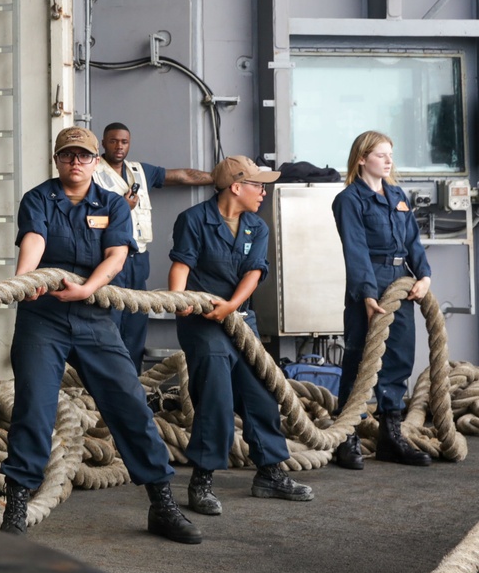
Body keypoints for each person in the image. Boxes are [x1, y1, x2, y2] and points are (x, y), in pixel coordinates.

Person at [0, 126, 201, 544]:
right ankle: (15, 508)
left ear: (95, 161)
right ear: (57, 160)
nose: (76, 162)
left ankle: (161, 503)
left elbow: (117, 253)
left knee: (129, 404)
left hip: (93, 316)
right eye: (68, 155)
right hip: (43, 316)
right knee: (33, 411)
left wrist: (88, 289)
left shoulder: (112, 203)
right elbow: (35, 239)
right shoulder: (38, 199)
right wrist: (24, 280)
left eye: (84, 156)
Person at [168, 155, 313, 516]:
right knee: (216, 393)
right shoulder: (194, 220)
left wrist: (232, 305)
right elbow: (182, 263)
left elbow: (253, 272)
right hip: (202, 323)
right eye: (257, 185)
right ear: (236, 186)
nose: (263, 192)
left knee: (260, 391)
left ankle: (270, 473)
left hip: (238, 319)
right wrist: (179, 300)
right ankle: (201, 480)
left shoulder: (255, 226)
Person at [331, 131, 432, 469]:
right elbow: (355, 250)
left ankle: (391, 436)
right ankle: (346, 437)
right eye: (380, 155)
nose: (389, 161)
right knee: (361, 358)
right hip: (370, 282)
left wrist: (425, 276)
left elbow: (413, 243)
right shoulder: (350, 200)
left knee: (399, 357)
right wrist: (368, 295)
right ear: (361, 159)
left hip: (402, 281)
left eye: (390, 154)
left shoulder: (398, 195)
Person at [92, 122, 212, 371]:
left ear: (130, 143)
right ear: (103, 143)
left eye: (124, 141)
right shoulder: (91, 172)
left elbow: (182, 176)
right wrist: (120, 210)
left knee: (136, 319)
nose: (119, 146)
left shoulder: (139, 171)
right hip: (108, 257)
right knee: (108, 319)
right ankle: (104, 383)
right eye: (113, 141)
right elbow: (83, 219)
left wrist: (217, 178)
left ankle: (132, 381)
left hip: (138, 259)